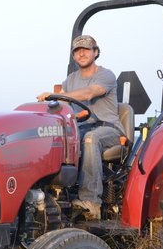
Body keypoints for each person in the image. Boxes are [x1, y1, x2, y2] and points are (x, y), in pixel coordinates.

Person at [37, 35, 124, 220]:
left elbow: (89, 93)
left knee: (90, 139)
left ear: (96, 52)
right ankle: (48, 195)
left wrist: (55, 95)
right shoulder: (70, 80)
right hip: (82, 128)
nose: (81, 53)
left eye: (86, 49)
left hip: (108, 129)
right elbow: (61, 104)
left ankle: (91, 201)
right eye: (77, 51)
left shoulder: (105, 75)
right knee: (52, 139)